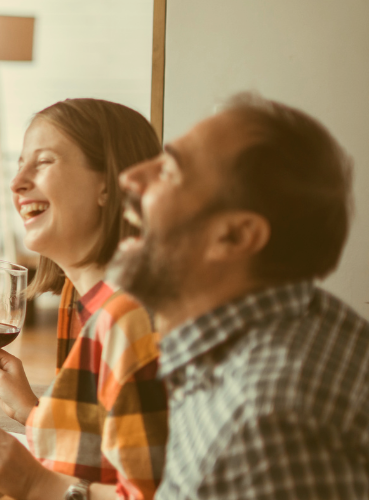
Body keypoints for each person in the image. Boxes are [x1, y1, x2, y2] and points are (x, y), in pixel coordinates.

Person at [111, 93, 367, 499]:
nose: (130, 177)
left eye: (171, 170)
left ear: (234, 236)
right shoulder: (298, 321)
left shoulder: (266, 427)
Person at [0, 99, 166, 500]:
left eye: (44, 162)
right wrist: (31, 411)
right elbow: (103, 452)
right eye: (20, 164)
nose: (17, 183)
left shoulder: (131, 317)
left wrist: (36, 484)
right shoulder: (78, 297)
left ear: (112, 183)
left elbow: (151, 495)